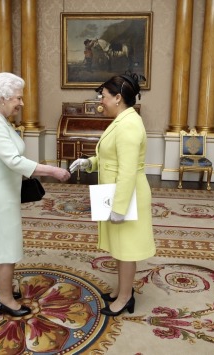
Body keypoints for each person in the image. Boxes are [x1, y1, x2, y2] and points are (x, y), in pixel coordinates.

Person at [0, 72, 71, 317]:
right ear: (4, 97)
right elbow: (13, 160)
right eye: (18, 98)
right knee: (6, 241)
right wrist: (53, 170)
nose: (21, 103)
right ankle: (5, 300)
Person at [69, 73, 156, 316]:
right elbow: (111, 159)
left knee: (126, 249)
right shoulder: (122, 120)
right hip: (117, 192)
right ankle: (122, 290)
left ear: (118, 98)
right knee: (120, 247)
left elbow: (127, 171)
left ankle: (126, 298)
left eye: (104, 96)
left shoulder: (128, 125)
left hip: (127, 195)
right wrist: (88, 164)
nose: (100, 100)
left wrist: (119, 207)